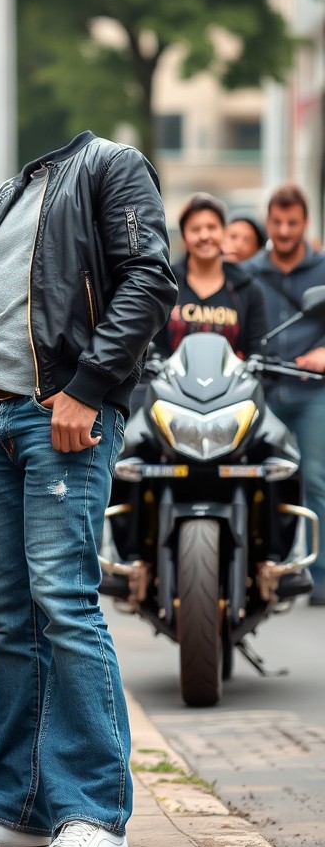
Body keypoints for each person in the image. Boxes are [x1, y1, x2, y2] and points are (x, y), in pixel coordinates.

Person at [0, 130, 176, 847]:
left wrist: (90, 388)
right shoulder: (5, 196)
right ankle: (17, 805)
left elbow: (149, 281)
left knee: (64, 601)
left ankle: (97, 812)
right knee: (10, 613)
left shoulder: (109, 167)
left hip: (62, 412)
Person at [245, 183, 325, 606]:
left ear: (304, 222)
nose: (284, 229)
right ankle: (258, 567)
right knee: (252, 475)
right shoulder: (251, 270)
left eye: (293, 222)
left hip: (312, 392)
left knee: (314, 477)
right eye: (277, 221)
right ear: (268, 221)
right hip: (264, 390)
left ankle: (320, 574)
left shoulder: (323, 267)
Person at [153, 193, 266, 359]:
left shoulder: (248, 288)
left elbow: (258, 352)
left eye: (212, 227)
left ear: (224, 231)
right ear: (184, 235)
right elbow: (153, 348)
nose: (204, 236)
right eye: (195, 229)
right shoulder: (165, 283)